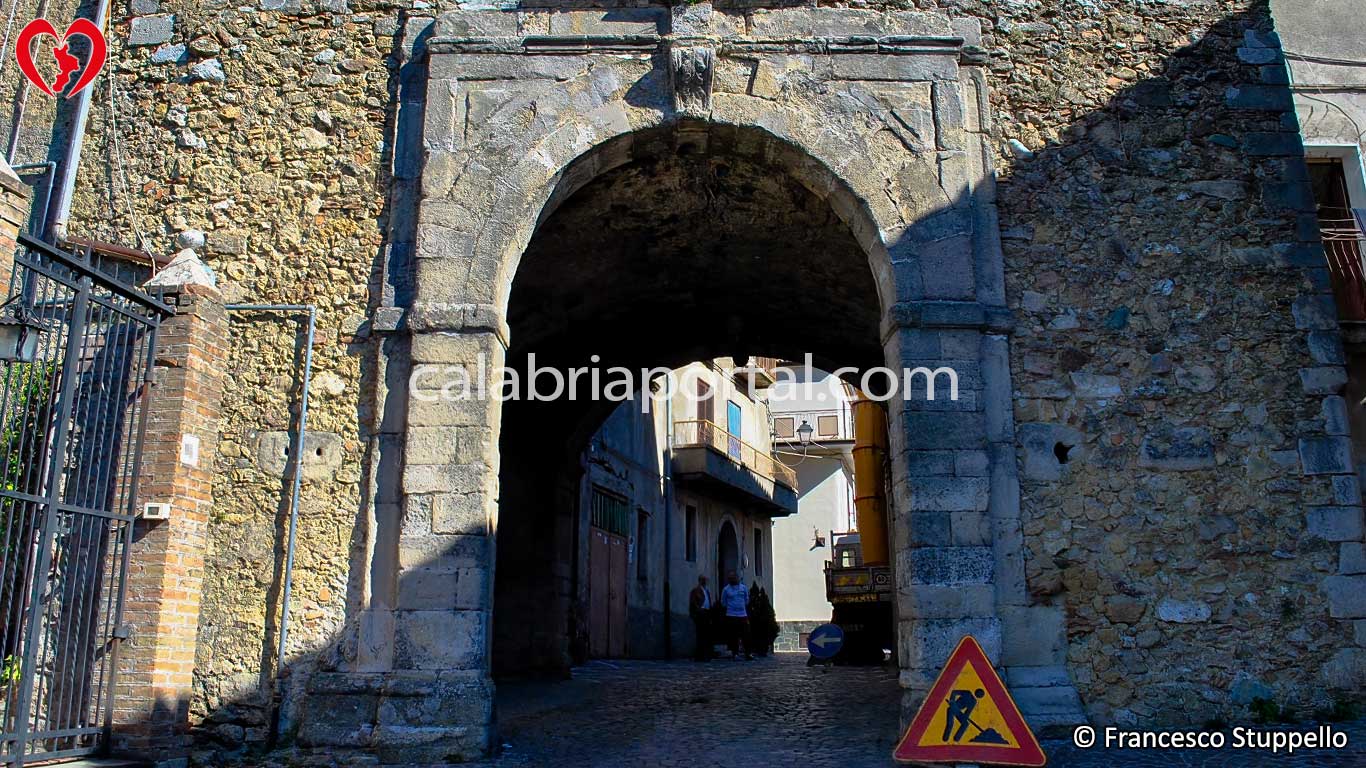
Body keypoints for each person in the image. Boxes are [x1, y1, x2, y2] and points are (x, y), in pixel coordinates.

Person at [720, 571, 752, 660]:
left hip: (742, 615)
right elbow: (723, 602)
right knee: (733, 636)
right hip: (731, 615)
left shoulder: (743, 588)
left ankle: (748, 653)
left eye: (733, 578)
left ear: (737, 578)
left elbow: (747, 599)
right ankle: (735, 653)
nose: (732, 580)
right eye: (730, 578)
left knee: (746, 635)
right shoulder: (726, 589)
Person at [688, 575, 715, 661]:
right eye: (703, 580)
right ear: (700, 580)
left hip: (706, 613)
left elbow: (708, 601)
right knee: (701, 635)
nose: (705, 582)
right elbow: (693, 602)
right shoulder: (696, 590)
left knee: (707, 635)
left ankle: (706, 654)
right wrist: (697, 611)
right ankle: (699, 655)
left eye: (705, 580)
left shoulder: (706, 590)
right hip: (701, 613)